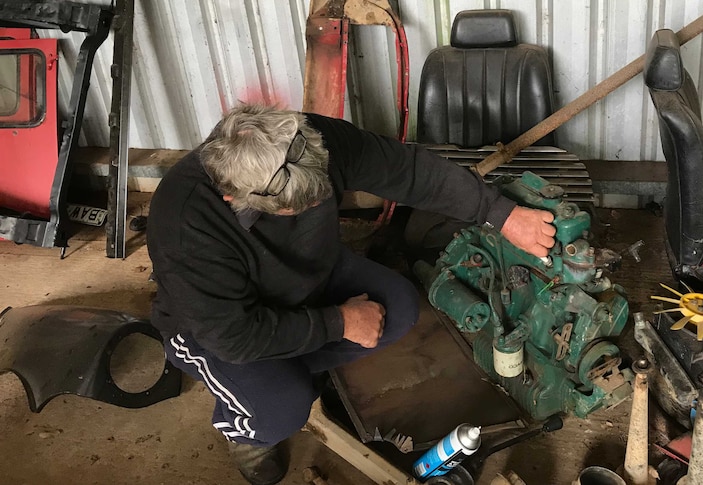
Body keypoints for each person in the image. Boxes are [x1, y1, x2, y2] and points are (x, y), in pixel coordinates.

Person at [146, 104, 556, 485]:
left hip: (306, 279)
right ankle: (249, 428)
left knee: (397, 307)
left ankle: (294, 365)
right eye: (297, 209)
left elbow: (408, 170)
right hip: (215, 327)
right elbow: (233, 336)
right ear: (236, 199)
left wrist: (501, 213)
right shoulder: (186, 221)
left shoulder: (311, 138)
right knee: (282, 409)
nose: (314, 209)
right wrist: (338, 321)